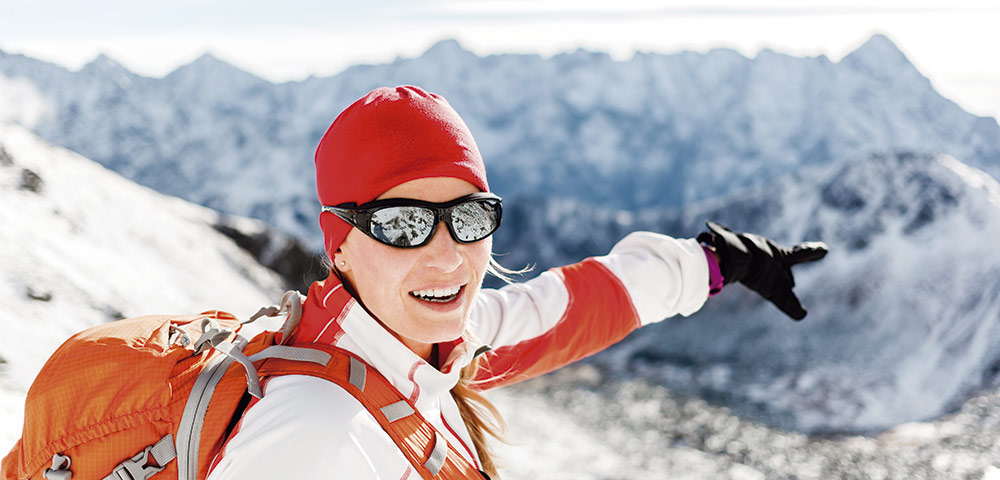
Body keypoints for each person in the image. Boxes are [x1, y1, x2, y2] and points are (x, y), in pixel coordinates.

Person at [205, 85, 827, 479]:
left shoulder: (425, 349)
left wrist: (714, 262)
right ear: (340, 245)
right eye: (402, 225)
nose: (447, 259)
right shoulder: (318, 429)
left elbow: (566, 310)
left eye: (469, 217)